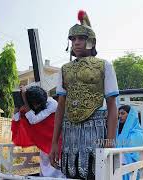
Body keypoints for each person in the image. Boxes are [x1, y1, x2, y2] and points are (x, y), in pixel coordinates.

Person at [49, 10, 119, 179]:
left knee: (96, 174)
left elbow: (112, 107)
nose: (76, 42)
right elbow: (60, 108)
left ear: (91, 42)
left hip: (97, 130)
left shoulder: (104, 65)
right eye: (73, 39)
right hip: (70, 132)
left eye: (81, 38)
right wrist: (54, 144)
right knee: (72, 174)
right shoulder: (64, 69)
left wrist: (109, 143)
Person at [11, 86, 64, 178]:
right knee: (45, 165)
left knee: (57, 166)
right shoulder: (30, 104)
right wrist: (17, 106)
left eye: (37, 104)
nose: (36, 107)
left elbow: (33, 120)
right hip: (43, 141)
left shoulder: (52, 104)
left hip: (56, 140)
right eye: (34, 104)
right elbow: (17, 119)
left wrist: (24, 99)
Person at [116, 105, 143, 180]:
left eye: (123, 113)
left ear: (131, 116)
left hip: (130, 170)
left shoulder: (137, 133)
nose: (120, 116)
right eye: (119, 114)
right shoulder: (118, 132)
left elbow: (135, 155)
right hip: (117, 168)